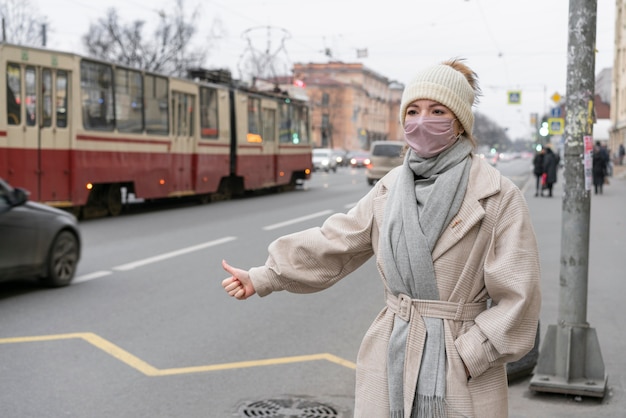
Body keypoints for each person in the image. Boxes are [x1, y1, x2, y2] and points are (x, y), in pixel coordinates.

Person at [221, 59, 541, 418]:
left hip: (461, 366)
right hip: (391, 352)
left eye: (437, 110)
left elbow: (520, 298)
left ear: (460, 122)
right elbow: (335, 242)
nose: (422, 121)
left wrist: (468, 355)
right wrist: (264, 275)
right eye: (414, 111)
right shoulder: (389, 189)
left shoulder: (498, 195)